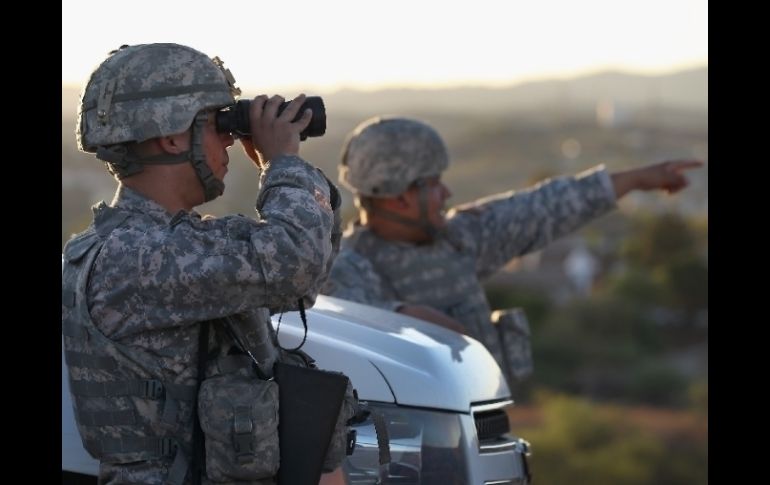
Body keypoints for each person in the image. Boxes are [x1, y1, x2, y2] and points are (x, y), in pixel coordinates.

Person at [61, 43, 353, 485]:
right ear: (173, 135)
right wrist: (282, 163)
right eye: (219, 125)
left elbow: (299, 280)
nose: (231, 142)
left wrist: (288, 172)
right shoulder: (131, 258)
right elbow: (293, 261)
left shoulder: (178, 243)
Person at [321, 115, 703, 381]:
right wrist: (404, 318)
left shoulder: (458, 238)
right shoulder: (344, 266)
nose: (447, 193)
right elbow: (345, 322)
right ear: (401, 197)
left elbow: (543, 207)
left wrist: (636, 179)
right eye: (434, 183)